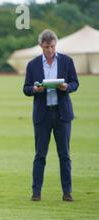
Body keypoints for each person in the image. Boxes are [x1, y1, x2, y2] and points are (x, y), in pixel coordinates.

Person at [23, 29, 79, 202]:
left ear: (56, 45)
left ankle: (67, 192)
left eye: (52, 46)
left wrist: (66, 87)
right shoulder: (32, 65)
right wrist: (34, 89)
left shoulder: (67, 61)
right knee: (40, 155)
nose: (49, 50)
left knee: (65, 155)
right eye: (46, 47)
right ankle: (36, 192)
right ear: (41, 46)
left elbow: (75, 83)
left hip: (62, 114)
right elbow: (26, 88)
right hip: (42, 115)